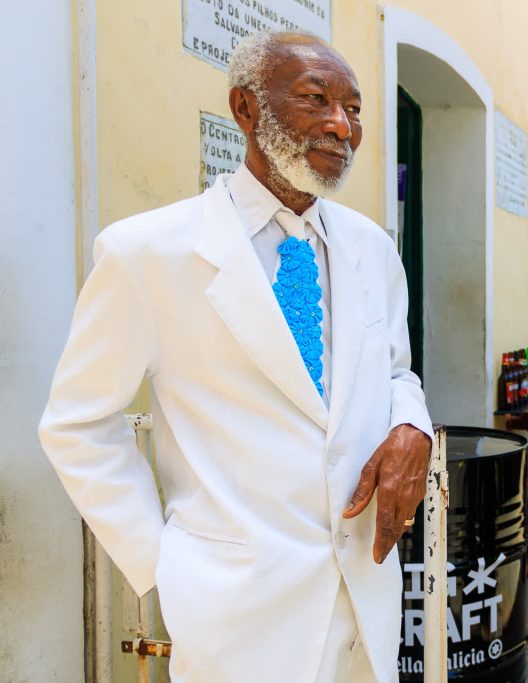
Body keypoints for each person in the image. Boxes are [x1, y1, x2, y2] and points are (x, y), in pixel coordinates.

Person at [38, 31, 432, 683]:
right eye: (316, 99)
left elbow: (395, 371)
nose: (341, 125)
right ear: (246, 108)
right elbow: (77, 424)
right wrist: (164, 563)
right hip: (237, 620)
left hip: (365, 604)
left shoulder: (373, 248)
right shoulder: (148, 253)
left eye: (354, 109)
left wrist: (412, 425)